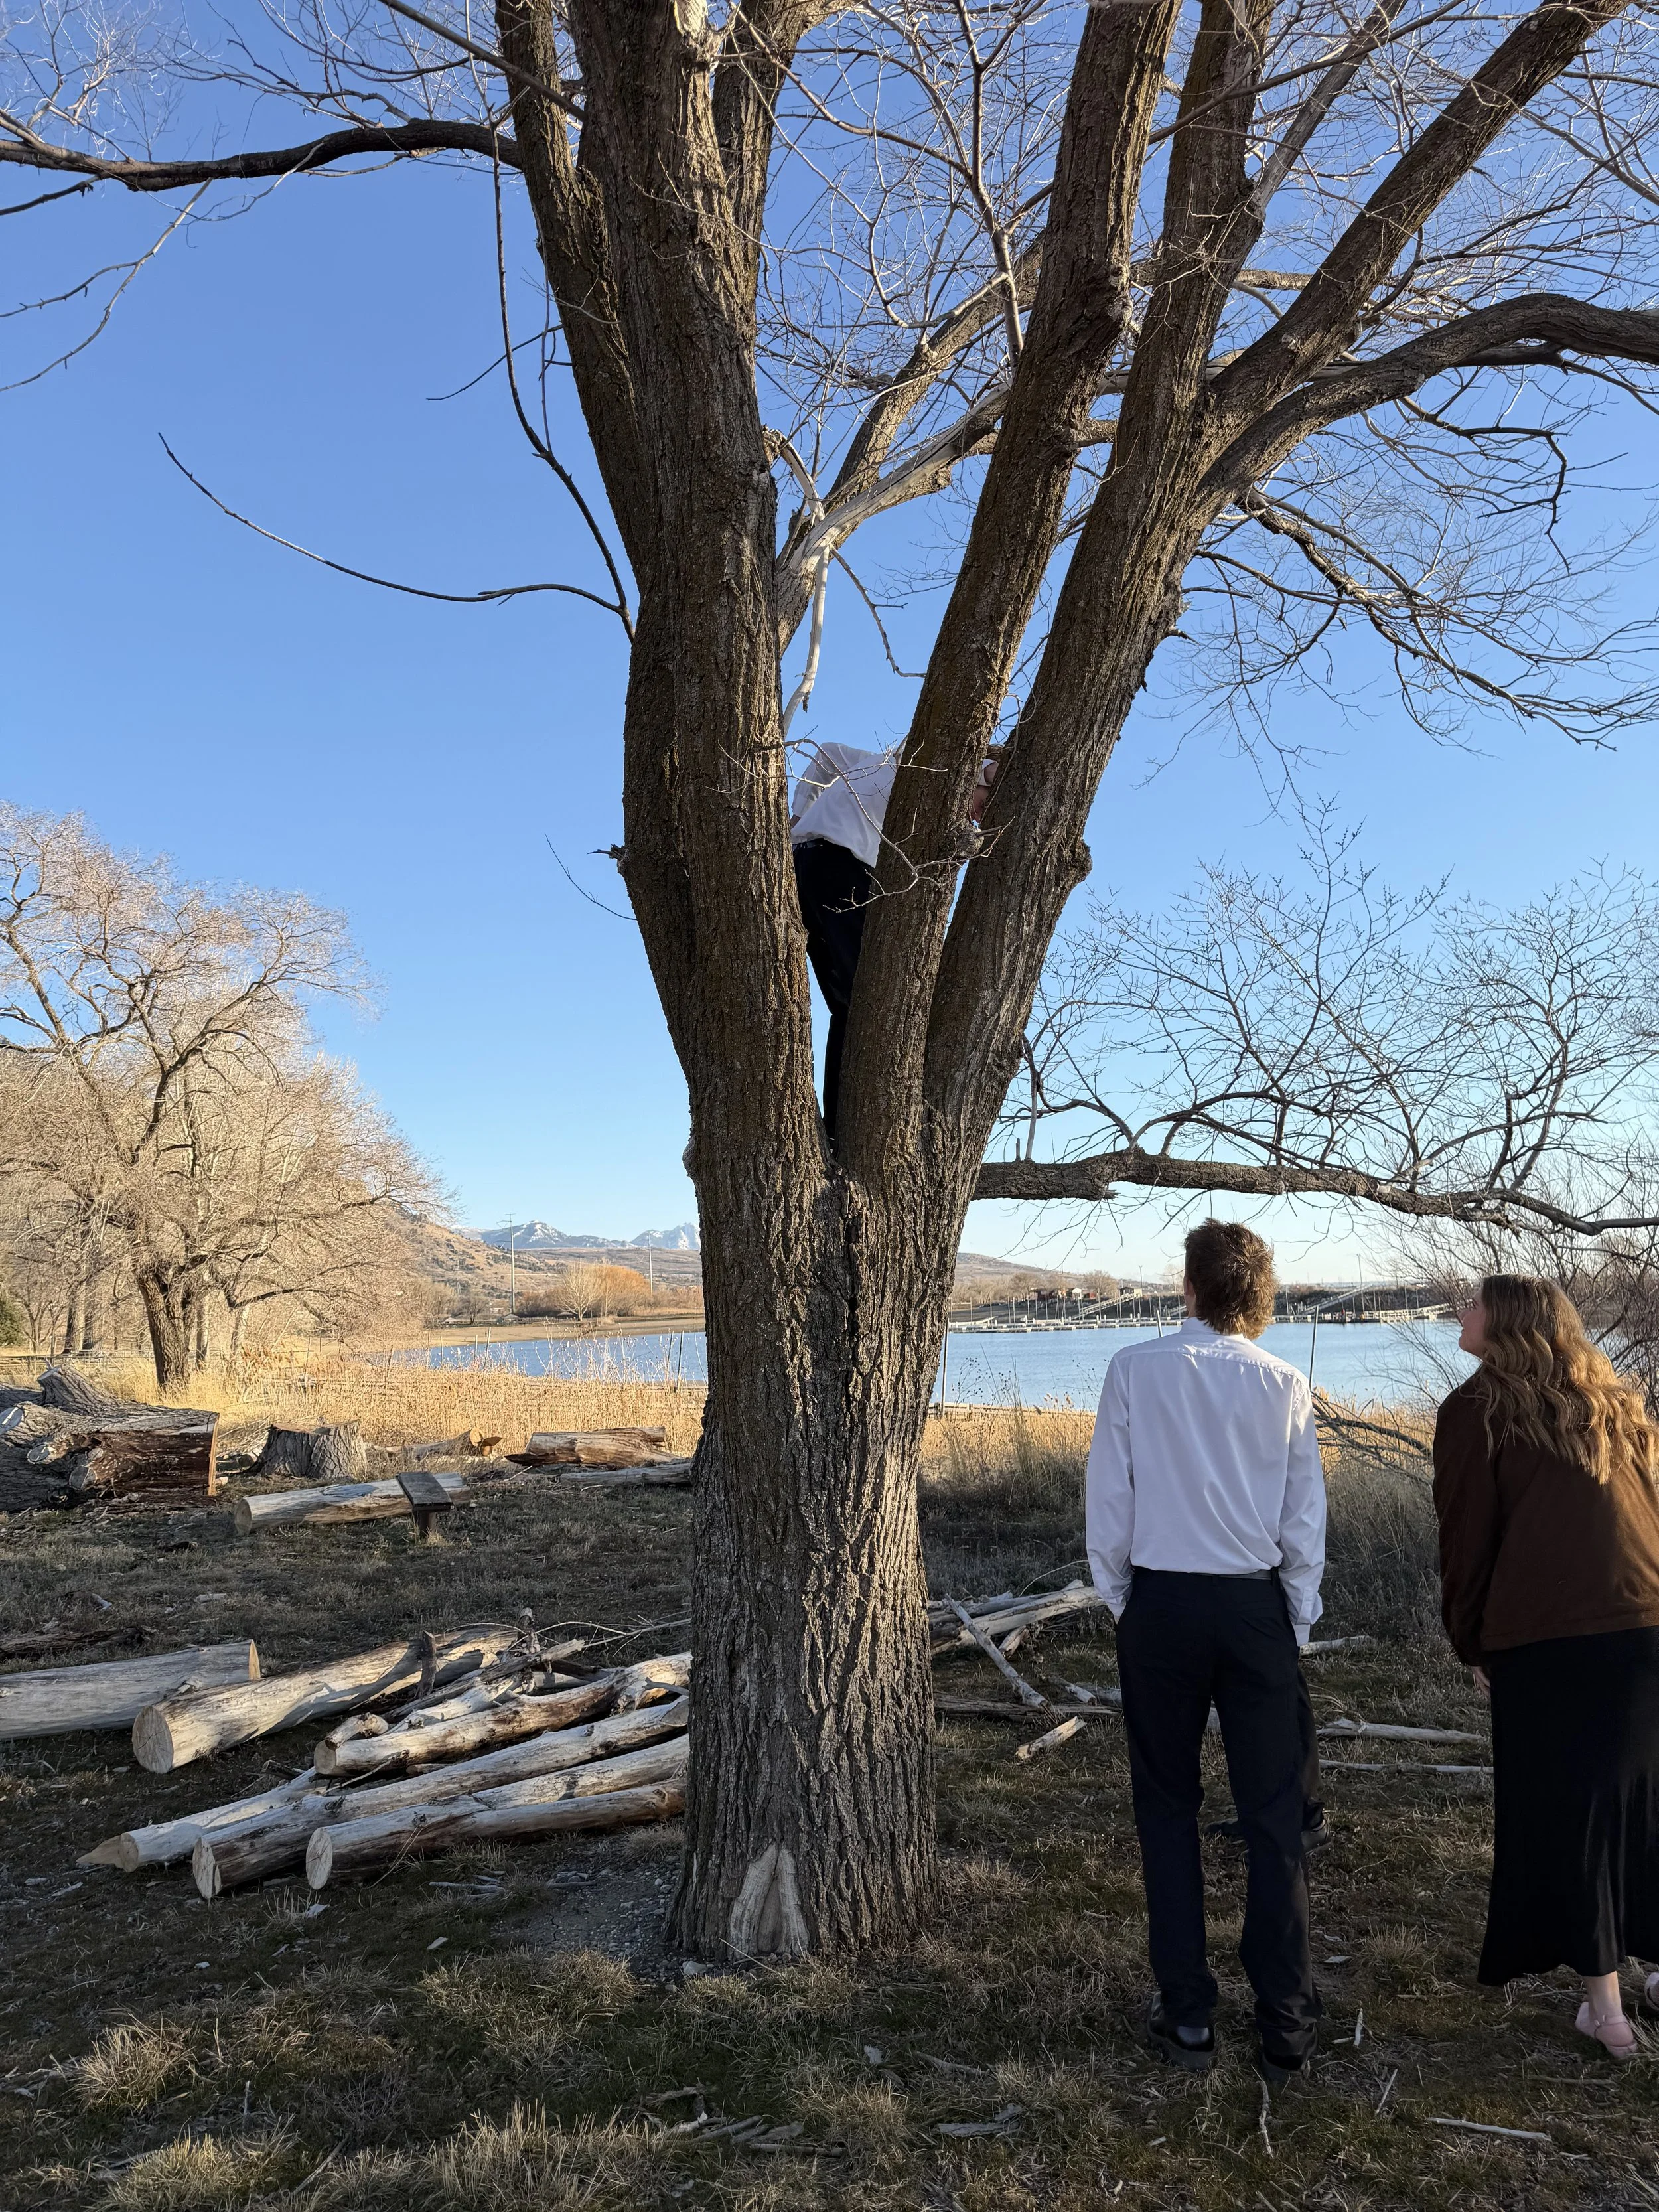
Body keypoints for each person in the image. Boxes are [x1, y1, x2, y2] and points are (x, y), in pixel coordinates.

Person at [1088, 1220, 1327, 2083]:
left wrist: (1124, 1598)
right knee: (1274, 1820)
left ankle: (1188, 2014)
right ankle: (1286, 2023)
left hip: (1162, 1602)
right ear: (1256, 1296)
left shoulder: (1133, 1371)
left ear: (1188, 1288)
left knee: (1166, 1808)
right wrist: (1293, 1618)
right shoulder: (1285, 1381)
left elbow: (1109, 1501)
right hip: (1255, 1604)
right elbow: (1304, 1516)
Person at [1433, 1274, 1659, 2059]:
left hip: (1551, 1641)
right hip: (1647, 1627)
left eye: (1470, 1304)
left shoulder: (1476, 1411)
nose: (1458, 1313)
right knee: (1644, 1801)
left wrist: (1470, 1642)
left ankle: (1607, 2010)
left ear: (1506, 1325)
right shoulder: (1615, 1403)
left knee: (1572, 1814)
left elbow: (1466, 1544)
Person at [789, 741, 998, 1142]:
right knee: (868, 1000)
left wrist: (802, 811)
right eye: (984, 807)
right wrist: (801, 811)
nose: (975, 818)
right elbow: (830, 752)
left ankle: (835, 1128)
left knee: (849, 1005)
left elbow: (829, 752)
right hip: (838, 871)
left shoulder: (879, 763)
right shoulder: (929, 765)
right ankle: (839, 1130)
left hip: (808, 866)